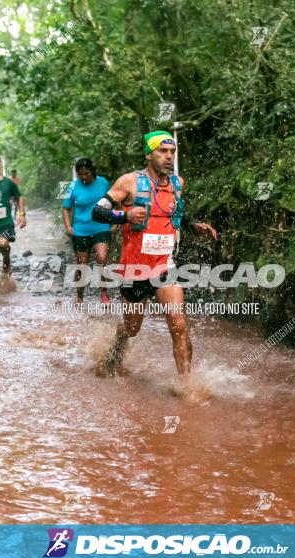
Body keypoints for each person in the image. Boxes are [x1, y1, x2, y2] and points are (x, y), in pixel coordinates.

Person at [91, 130, 217, 380]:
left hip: (164, 266)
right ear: (149, 154)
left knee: (179, 325)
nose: (169, 157)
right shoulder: (128, 182)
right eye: (163, 151)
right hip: (134, 270)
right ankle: (115, 352)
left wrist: (193, 224)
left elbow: (174, 211)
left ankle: (186, 386)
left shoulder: (177, 184)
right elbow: (97, 211)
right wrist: (124, 216)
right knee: (131, 328)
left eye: (172, 152)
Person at [61, 158, 113, 304]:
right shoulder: (71, 186)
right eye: (80, 174)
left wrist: (115, 220)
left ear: (92, 171)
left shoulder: (103, 182)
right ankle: (79, 296)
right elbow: (65, 208)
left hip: (101, 227)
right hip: (80, 230)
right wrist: (67, 226)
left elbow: (113, 200)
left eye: (86, 173)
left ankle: (103, 292)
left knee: (102, 258)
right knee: (81, 266)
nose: (83, 177)